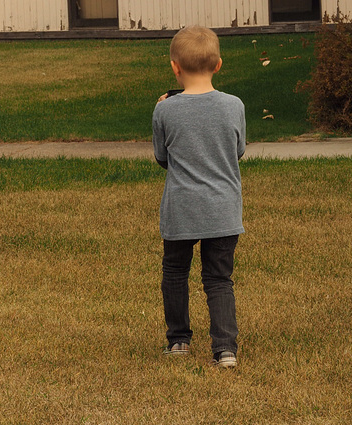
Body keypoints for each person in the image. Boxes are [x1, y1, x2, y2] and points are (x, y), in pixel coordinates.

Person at [152, 25, 246, 368]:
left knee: (175, 272)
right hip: (223, 210)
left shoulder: (165, 110)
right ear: (218, 64)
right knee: (219, 278)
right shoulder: (234, 106)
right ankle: (225, 350)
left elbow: (162, 157)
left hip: (181, 210)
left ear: (175, 67)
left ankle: (178, 341)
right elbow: (238, 151)